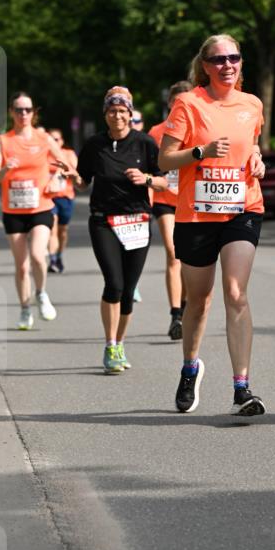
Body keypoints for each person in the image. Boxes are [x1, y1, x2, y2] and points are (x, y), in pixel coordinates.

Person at [159, 34, 267, 416]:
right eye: (219, 60)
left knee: (236, 293)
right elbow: (165, 159)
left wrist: (258, 160)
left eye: (233, 58)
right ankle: (190, 367)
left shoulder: (252, 104)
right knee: (199, 300)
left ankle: (242, 389)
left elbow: (252, 145)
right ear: (205, 66)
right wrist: (200, 152)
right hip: (196, 214)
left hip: (243, 207)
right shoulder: (189, 104)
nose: (227, 65)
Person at [67, 86, 168, 373]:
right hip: (104, 221)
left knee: (128, 290)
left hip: (137, 222)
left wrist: (146, 179)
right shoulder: (94, 145)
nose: (118, 116)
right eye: (112, 110)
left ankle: (120, 342)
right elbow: (83, 182)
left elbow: (164, 182)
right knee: (114, 283)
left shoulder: (145, 143)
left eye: (123, 111)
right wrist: (72, 176)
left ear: (130, 113)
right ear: (105, 114)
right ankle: (110, 344)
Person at [0, 92, 66, 330]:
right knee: (22, 266)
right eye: (19, 109)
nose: (23, 114)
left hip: (41, 207)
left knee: (37, 255)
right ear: (11, 112)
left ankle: (41, 293)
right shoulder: (3, 140)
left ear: (34, 113)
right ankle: (24, 309)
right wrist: (5, 169)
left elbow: (65, 164)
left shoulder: (43, 138)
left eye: (28, 109)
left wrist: (56, 179)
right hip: (13, 211)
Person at [148, 80, 192, 339]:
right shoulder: (156, 132)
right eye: (177, 102)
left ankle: (185, 308)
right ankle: (175, 314)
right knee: (173, 253)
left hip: (191, 199)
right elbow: (149, 167)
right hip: (165, 198)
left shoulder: (198, 129)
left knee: (188, 259)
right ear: (169, 104)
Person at [46, 128, 78, 274]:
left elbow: (76, 172)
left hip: (65, 197)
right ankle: (52, 260)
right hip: (48, 198)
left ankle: (59, 255)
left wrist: (63, 171)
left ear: (62, 141)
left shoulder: (68, 154)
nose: (54, 142)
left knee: (62, 231)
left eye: (57, 139)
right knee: (52, 229)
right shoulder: (44, 154)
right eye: (51, 139)